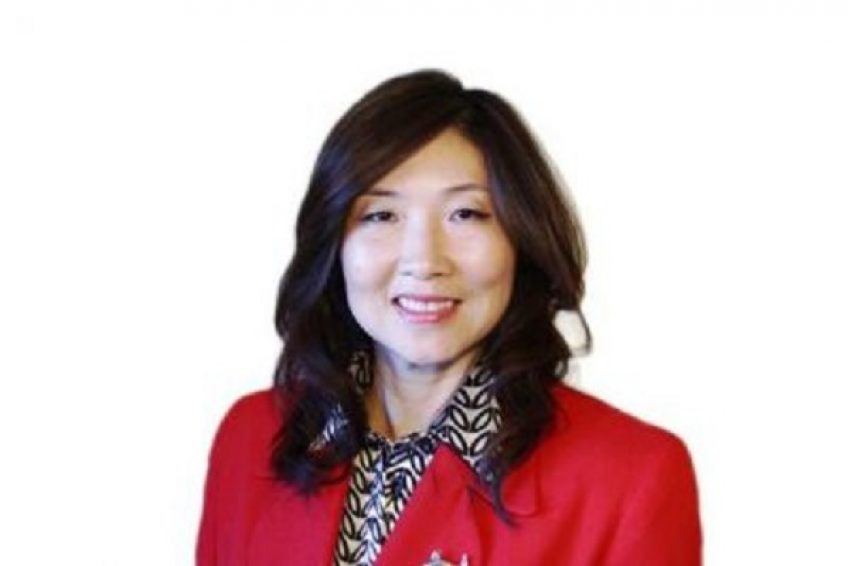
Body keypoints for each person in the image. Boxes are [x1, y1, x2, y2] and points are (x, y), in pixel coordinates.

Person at [196, 69, 702, 566]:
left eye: (466, 214)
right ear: (335, 244)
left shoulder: (631, 480)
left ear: (520, 239)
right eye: (381, 215)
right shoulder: (252, 439)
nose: (424, 260)